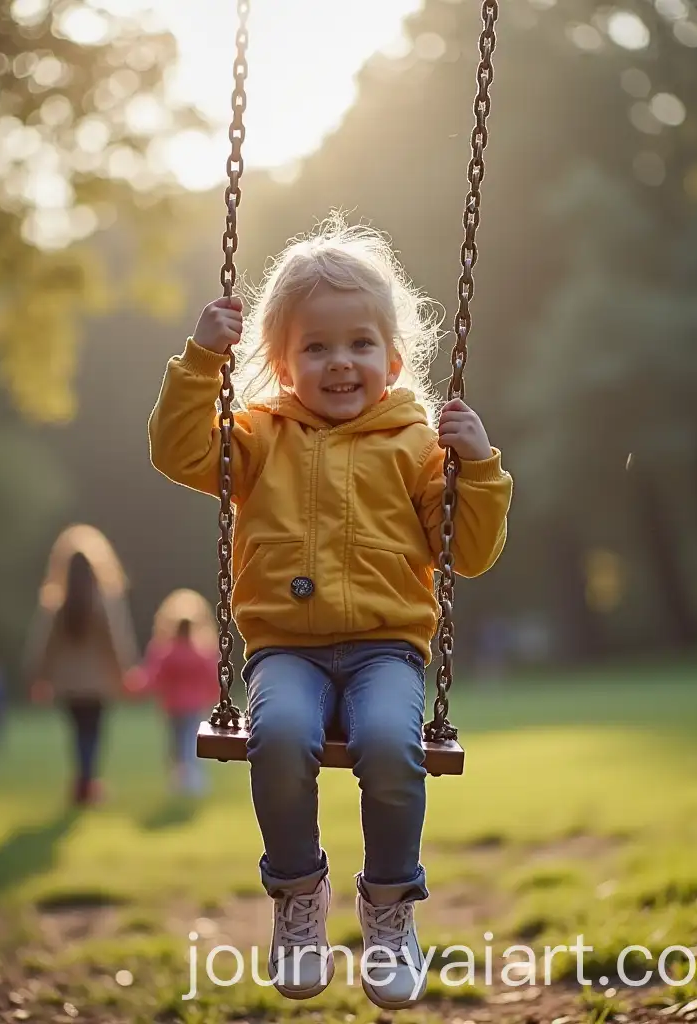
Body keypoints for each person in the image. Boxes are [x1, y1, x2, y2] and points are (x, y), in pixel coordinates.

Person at [147, 213, 513, 1008]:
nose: (339, 362)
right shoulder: (258, 437)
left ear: (391, 358)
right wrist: (203, 357)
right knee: (276, 737)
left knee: (389, 743)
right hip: (288, 652)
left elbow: (470, 553)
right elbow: (176, 451)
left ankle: (388, 907)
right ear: (281, 362)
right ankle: (298, 898)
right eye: (315, 347)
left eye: (358, 344)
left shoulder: (419, 444)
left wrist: (477, 465)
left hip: (387, 649)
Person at [24, 525, 139, 805]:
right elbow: (116, 641)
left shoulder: (57, 603)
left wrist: (39, 677)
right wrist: (125, 672)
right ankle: (87, 785)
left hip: (68, 685)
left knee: (79, 734)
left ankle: (84, 782)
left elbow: (43, 646)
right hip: (97, 684)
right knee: (92, 734)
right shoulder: (103, 601)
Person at [127, 589, 220, 795]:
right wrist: (215, 696)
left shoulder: (164, 651)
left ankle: (184, 779)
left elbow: (152, 676)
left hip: (173, 706)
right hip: (194, 705)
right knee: (189, 742)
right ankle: (191, 779)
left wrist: (135, 686)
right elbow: (212, 676)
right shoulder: (201, 652)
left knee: (178, 744)